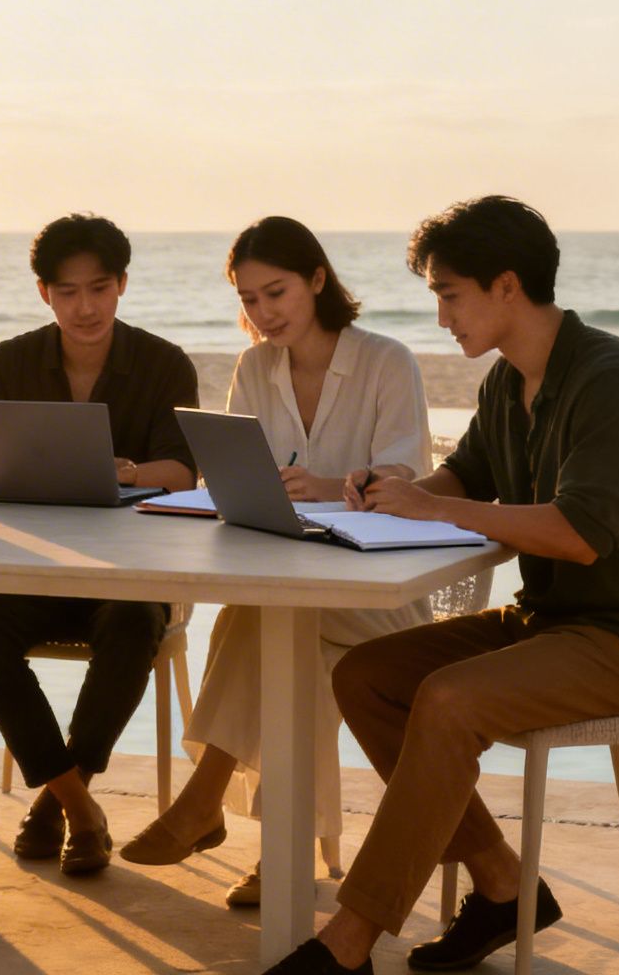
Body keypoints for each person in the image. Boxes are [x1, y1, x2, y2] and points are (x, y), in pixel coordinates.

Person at [264, 196, 619, 975]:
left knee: (448, 699)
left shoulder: (611, 380)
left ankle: (347, 945)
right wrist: (362, 490)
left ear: (507, 286)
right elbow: (464, 476)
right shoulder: (509, 384)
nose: (440, 318)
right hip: (550, 624)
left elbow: (581, 533)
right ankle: (505, 884)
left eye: (449, 294)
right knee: (365, 677)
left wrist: (437, 506)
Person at [120, 216, 431, 908]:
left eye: (277, 292)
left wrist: (329, 489)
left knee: (262, 627)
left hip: (381, 602)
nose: (263, 314)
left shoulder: (386, 361)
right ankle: (278, 855)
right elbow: (239, 475)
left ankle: (206, 805)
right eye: (250, 299)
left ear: (318, 280)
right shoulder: (253, 368)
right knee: (280, 634)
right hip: (294, 586)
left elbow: (406, 481)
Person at [0, 213, 199, 876]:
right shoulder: (7, 362)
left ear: (120, 286)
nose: (83, 308)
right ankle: (78, 805)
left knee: (132, 621)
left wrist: (128, 473)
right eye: (66, 292)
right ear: (44, 293)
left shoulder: (163, 363)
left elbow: (185, 472)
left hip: (131, 573)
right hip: (33, 567)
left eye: (98, 289)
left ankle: (57, 801)